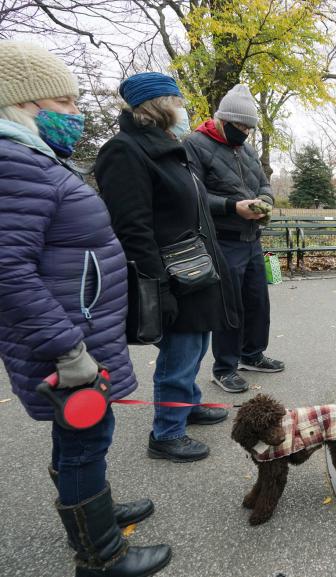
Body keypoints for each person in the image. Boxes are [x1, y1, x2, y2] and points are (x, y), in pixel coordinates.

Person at [0, 41, 170, 576]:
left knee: (84, 436)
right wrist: (67, 348)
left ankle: (96, 512)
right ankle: (100, 555)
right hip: (66, 337)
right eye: (67, 103)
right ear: (26, 104)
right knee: (82, 438)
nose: (77, 114)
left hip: (81, 326)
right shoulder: (15, 166)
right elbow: (8, 271)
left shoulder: (35, 160)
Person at [95, 72, 240, 463]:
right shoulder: (125, 151)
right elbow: (132, 227)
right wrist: (157, 286)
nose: (183, 108)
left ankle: (186, 405)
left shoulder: (169, 147)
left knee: (196, 344)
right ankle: (167, 433)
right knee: (180, 349)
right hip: (170, 273)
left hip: (195, 269)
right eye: (177, 100)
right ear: (158, 106)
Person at [185, 84, 285, 394]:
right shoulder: (195, 144)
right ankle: (224, 368)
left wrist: (264, 202)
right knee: (230, 307)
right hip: (222, 239)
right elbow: (193, 194)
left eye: (249, 128)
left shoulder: (248, 149)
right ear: (223, 120)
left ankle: (252, 354)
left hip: (251, 237)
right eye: (240, 126)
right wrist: (232, 206)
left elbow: (263, 185)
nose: (244, 132)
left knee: (257, 301)